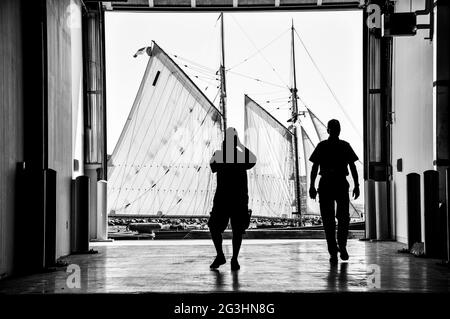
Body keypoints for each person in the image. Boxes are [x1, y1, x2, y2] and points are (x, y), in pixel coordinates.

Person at [308, 119, 359, 264]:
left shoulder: (322, 146)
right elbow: (353, 167)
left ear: (328, 130)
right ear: (335, 130)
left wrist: (312, 185)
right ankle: (341, 246)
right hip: (341, 183)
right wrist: (356, 185)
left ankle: (333, 252)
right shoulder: (345, 146)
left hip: (326, 184)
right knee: (343, 218)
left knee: (328, 220)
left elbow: (314, 168)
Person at [208, 127, 256, 271]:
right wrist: (240, 146)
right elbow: (253, 160)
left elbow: (212, 166)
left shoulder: (218, 155)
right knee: (237, 230)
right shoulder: (241, 157)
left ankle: (220, 255)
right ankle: (234, 259)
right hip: (239, 198)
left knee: (214, 227)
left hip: (223, 198)